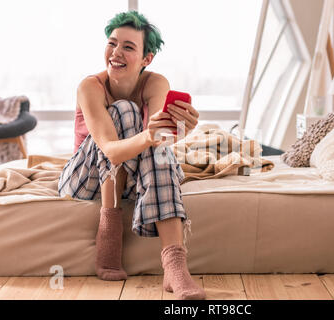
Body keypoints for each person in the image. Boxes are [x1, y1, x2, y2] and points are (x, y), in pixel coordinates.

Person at [58, 10, 205, 300]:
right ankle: (109, 227)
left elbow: (159, 139)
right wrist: (151, 135)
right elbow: (111, 151)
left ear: (146, 58)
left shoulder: (155, 83)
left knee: (159, 150)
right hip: (82, 179)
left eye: (128, 47)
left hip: (134, 175)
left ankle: (175, 265)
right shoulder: (90, 87)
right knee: (124, 110)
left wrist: (180, 130)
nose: (116, 52)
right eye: (112, 43)